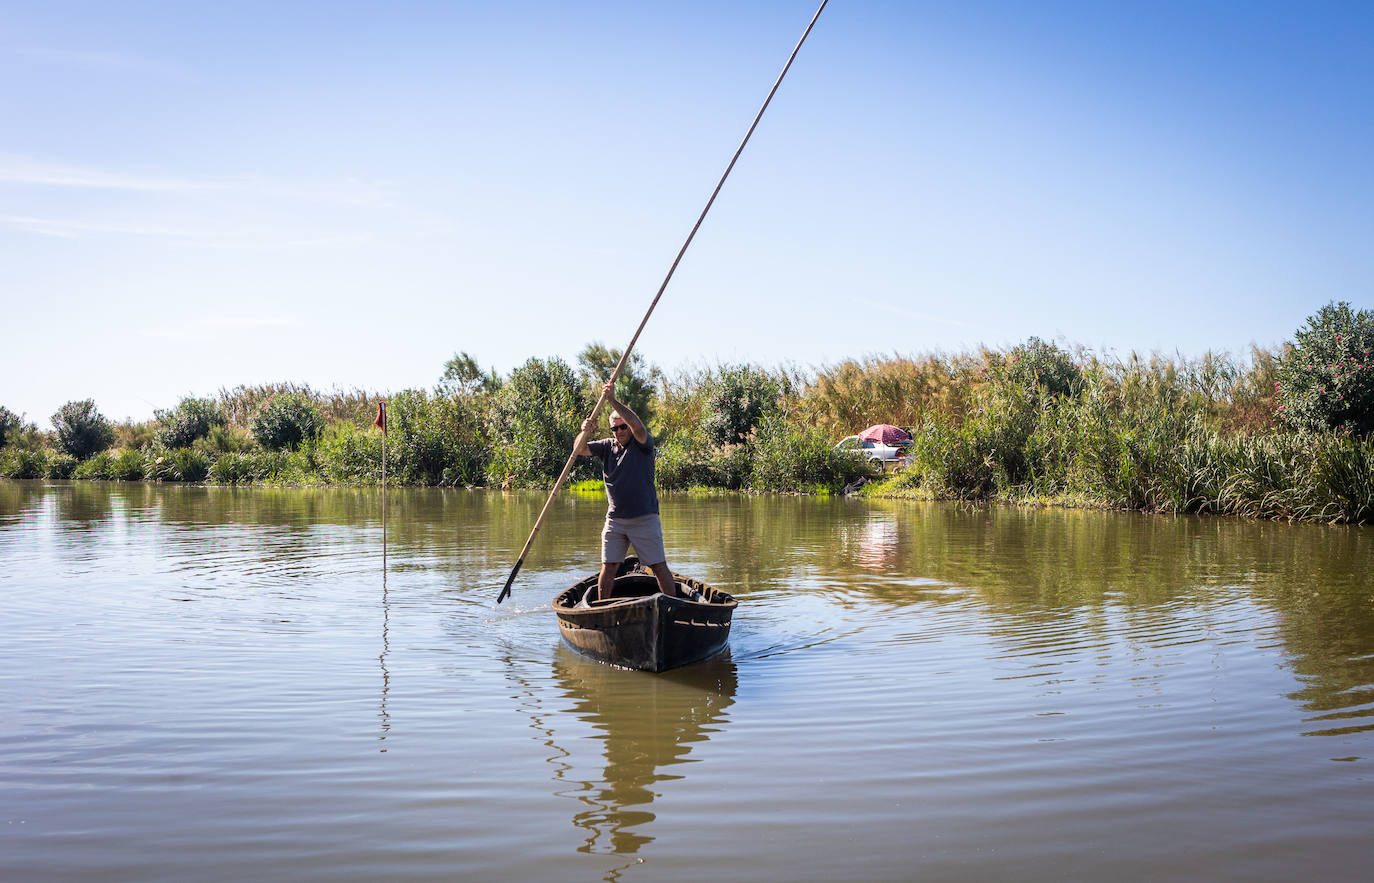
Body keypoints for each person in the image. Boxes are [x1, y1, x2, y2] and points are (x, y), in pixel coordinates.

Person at [575, 381, 679, 603]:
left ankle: (675, 607)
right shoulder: (607, 447)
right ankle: (603, 608)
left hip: (644, 517)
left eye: (623, 427)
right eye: (615, 428)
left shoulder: (642, 444)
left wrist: (612, 400)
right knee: (609, 566)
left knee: (658, 566)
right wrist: (584, 432)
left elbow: (639, 427)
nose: (620, 431)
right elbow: (579, 449)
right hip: (615, 520)